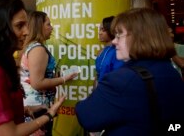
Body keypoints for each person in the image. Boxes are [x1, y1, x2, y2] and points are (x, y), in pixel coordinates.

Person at [0, 0, 66, 136]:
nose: (26, 31)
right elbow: (9, 133)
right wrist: (49, 114)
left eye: (26, 25)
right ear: (0, 28)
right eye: (20, 26)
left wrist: (26, 109)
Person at [75, 8, 184, 136]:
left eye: (119, 35)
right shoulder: (172, 73)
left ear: (140, 37)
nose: (114, 41)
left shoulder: (122, 80)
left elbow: (88, 117)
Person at [19, 11, 78, 136]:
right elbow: (37, 83)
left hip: (33, 105)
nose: (51, 28)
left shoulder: (32, 47)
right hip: (37, 107)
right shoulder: (37, 49)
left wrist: (52, 77)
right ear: (39, 27)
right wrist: (64, 79)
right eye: (48, 24)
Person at [93, 16, 124, 88]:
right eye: (99, 29)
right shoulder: (102, 51)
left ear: (111, 30)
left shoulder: (117, 52)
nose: (99, 33)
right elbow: (97, 75)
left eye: (103, 30)